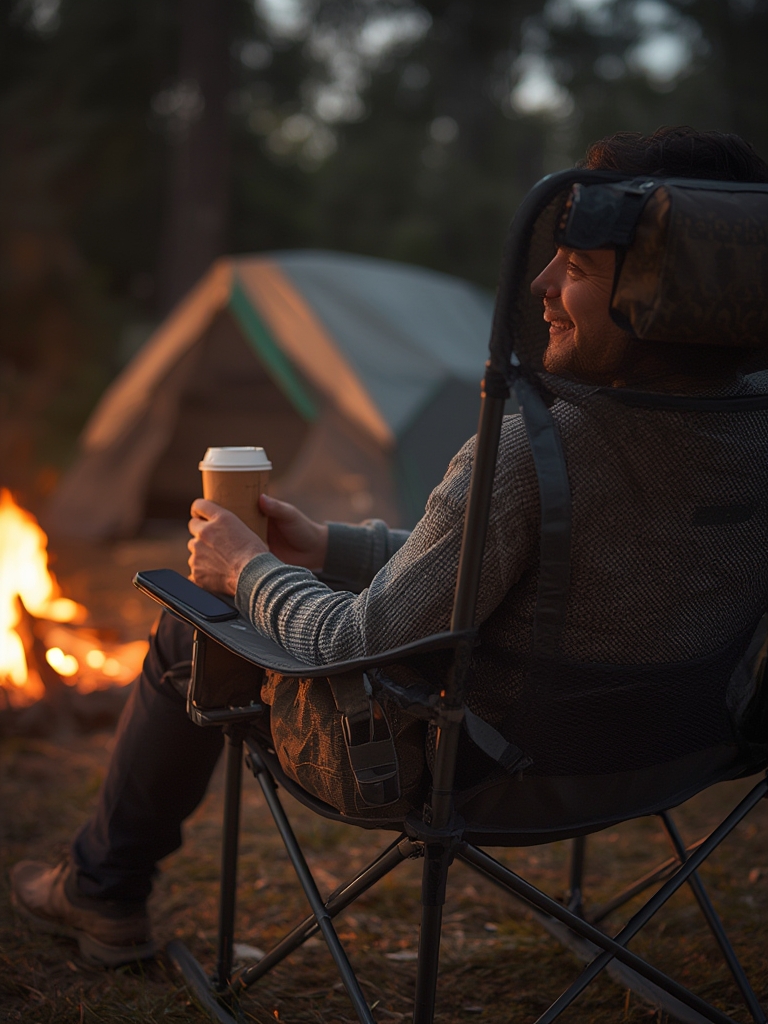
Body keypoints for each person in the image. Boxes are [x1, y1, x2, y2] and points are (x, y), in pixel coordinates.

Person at [11, 126, 768, 966]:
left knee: (193, 621)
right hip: (672, 758)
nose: (546, 286)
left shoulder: (533, 448)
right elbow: (532, 567)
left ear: (668, 296)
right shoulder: (753, 435)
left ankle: (102, 891)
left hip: (472, 770)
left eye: (580, 269)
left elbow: (355, 644)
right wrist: (331, 546)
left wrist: (246, 568)